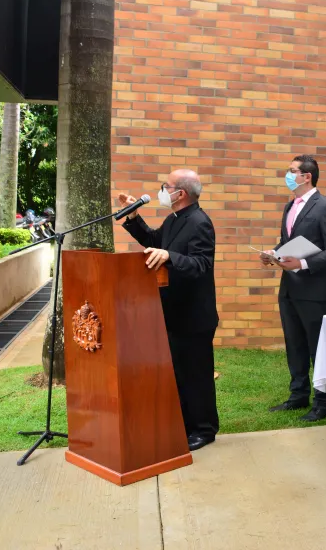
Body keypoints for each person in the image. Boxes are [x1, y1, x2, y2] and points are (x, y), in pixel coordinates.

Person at [118, 169, 219, 452]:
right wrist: (133, 216)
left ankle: (204, 430)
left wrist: (170, 256)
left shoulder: (200, 222)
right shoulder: (174, 218)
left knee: (196, 375)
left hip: (194, 316)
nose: (162, 190)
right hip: (173, 311)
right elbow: (154, 241)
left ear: (180, 193)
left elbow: (201, 264)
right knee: (179, 374)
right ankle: (184, 424)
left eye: (166, 186)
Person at [260, 155, 326, 422]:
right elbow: (288, 242)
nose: (287, 175)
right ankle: (298, 395)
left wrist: (303, 263)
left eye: (292, 171)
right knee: (294, 344)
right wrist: (273, 253)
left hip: (313, 290)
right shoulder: (289, 206)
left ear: (307, 176)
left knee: (317, 347)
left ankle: (323, 402)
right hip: (289, 288)